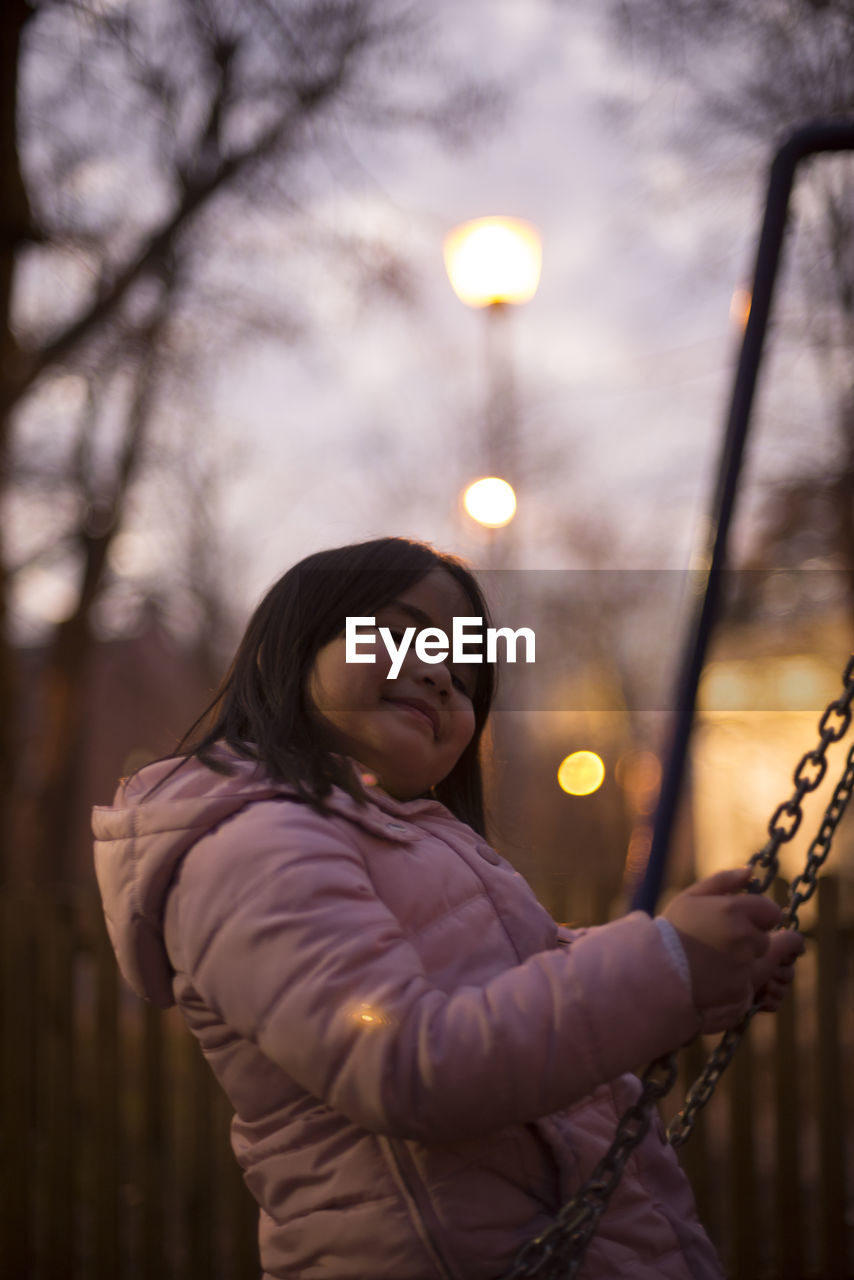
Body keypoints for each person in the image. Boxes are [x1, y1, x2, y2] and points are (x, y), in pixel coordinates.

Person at [93, 536, 802, 1280]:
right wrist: (665, 966)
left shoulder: (415, 842)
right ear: (289, 651)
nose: (438, 676)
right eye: (399, 636)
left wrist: (696, 973)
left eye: (463, 674)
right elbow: (404, 1059)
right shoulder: (252, 846)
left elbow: (524, 978)